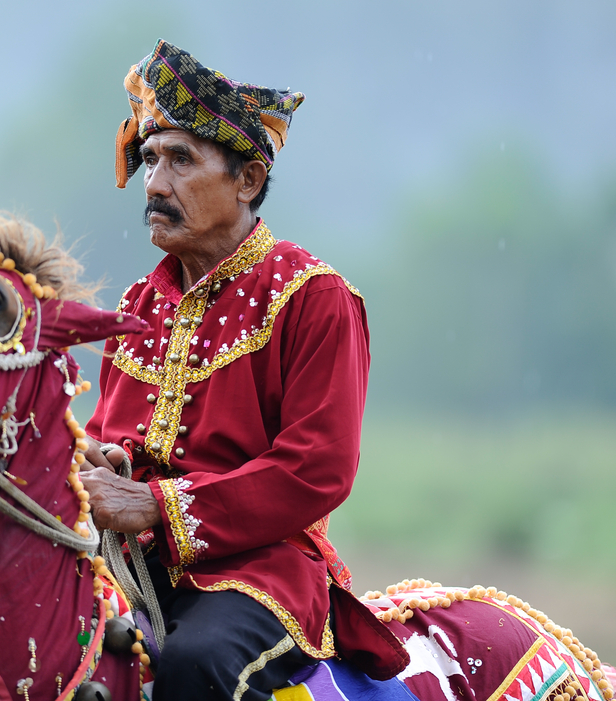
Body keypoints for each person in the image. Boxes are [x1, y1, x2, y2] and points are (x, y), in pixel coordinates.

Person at [81, 40, 408, 699]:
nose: (155, 183)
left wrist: (159, 504)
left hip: (260, 574)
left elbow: (317, 468)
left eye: (179, 159)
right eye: (148, 159)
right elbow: (104, 439)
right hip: (131, 570)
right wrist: (94, 464)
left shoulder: (315, 297)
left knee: (195, 664)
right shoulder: (136, 306)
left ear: (248, 179)